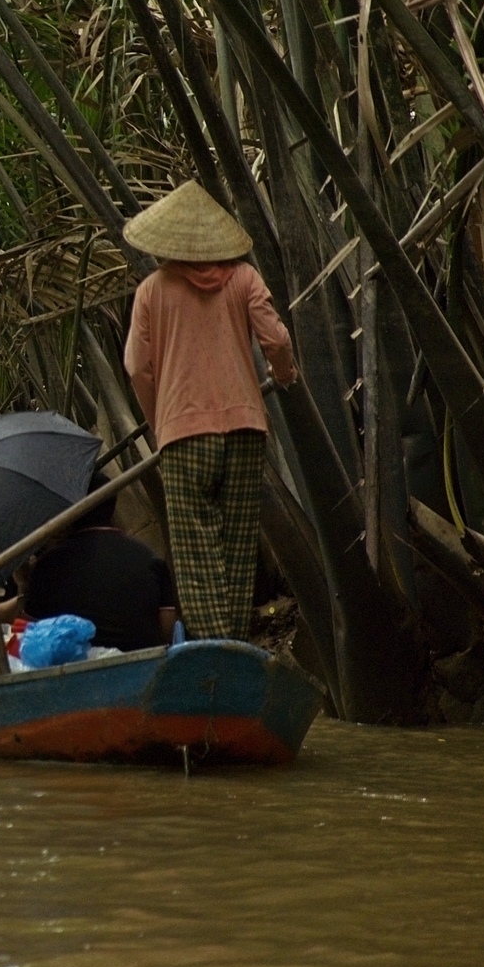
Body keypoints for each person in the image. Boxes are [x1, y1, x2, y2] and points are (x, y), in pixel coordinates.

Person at [121, 181, 298, 640]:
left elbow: (138, 367)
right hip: (245, 429)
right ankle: (235, 646)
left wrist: (162, 422)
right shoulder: (243, 278)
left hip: (184, 435)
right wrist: (284, 375)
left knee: (198, 557)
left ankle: (215, 658)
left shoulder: (152, 291)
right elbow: (276, 340)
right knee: (237, 552)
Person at [14, 474, 177, 650]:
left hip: (74, 673)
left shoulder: (47, 565)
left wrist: (24, 586)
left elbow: (25, 642)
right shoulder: (149, 557)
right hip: (145, 668)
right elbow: (167, 628)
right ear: (113, 506)